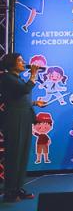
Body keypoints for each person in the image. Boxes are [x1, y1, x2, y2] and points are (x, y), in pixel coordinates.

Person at [0, 53, 46, 202]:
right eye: (20, 60)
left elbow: (19, 98)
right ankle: (10, 191)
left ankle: (18, 188)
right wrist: (33, 75)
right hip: (14, 119)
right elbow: (25, 90)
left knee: (23, 155)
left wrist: (35, 103)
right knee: (14, 155)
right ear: (11, 63)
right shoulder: (7, 78)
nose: (23, 62)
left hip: (24, 118)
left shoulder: (17, 79)